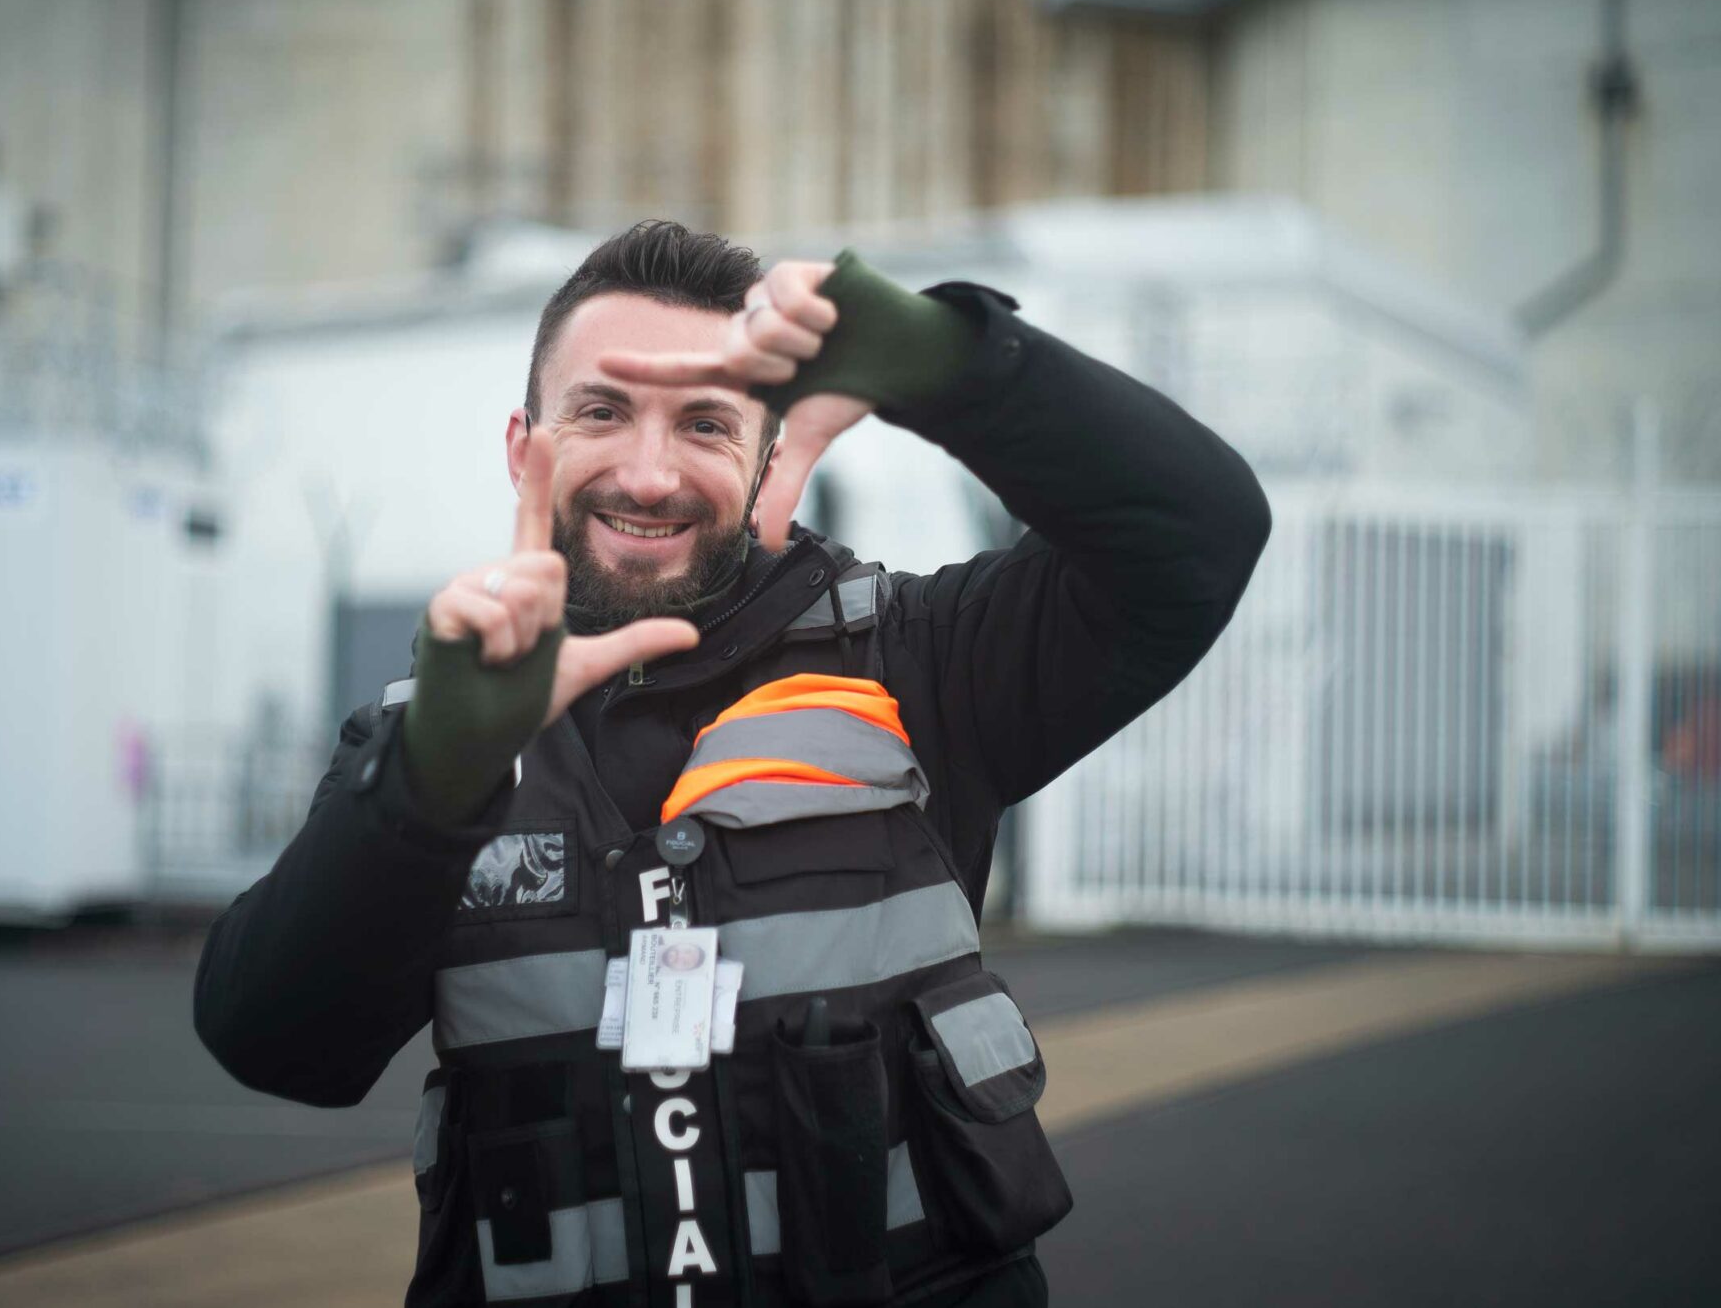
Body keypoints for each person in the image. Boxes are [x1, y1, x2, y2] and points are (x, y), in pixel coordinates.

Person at [194, 220, 1272, 1308]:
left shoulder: (920, 662)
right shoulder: (432, 733)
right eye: (601, 411)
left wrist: (944, 361)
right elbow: (275, 1044)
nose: (649, 473)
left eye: (704, 424)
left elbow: (1198, 533)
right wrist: (432, 777)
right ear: (524, 449)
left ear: (771, 458)